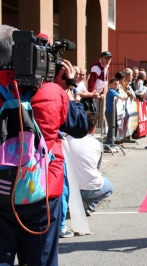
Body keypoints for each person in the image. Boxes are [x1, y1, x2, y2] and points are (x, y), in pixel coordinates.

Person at [0, 26, 88, 266]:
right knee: (41, 259)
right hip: (43, 187)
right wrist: (71, 88)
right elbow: (81, 127)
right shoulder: (53, 91)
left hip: (1, 191)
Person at [66, 112, 114, 216]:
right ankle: (89, 204)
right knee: (109, 187)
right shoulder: (98, 144)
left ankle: (75, 203)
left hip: (69, 188)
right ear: (94, 128)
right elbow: (97, 167)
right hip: (91, 187)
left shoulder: (66, 140)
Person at [105, 78, 128, 147]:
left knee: (114, 128)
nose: (116, 86)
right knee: (111, 129)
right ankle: (108, 144)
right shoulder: (111, 91)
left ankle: (111, 144)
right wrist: (124, 97)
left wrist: (124, 96)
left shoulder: (114, 91)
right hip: (110, 112)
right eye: (115, 84)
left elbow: (124, 95)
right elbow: (121, 96)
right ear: (110, 84)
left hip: (114, 112)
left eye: (117, 84)